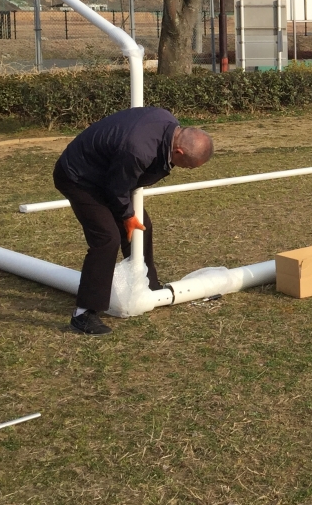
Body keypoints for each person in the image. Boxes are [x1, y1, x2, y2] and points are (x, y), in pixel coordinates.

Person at [53, 106, 213, 335]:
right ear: (178, 151)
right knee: (107, 238)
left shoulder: (168, 124)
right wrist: (127, 216)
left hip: (109, 174)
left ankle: (149, 286)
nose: (186, 169)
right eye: (188, 166)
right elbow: (117, 189)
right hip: (79, 177)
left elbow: (121, 181)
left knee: (141, 228)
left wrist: (129, 217)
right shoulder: (138, 150)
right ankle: (84, 313)